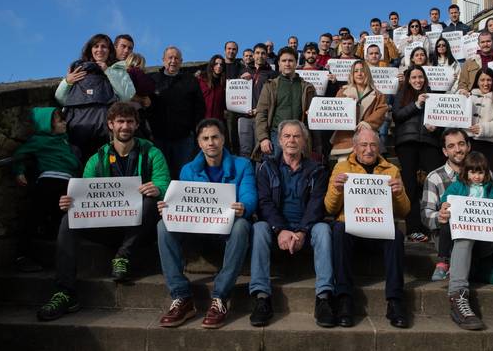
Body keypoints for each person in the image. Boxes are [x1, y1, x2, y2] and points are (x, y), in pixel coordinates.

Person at [36, 102, 170, 321]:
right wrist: (72, 202)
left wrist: (158, 188)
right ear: (111, 124)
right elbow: (86, 193)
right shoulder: (97, 158)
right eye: (120, 121)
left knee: (150, 202)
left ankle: (123, 256)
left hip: (140, 229)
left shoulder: (152, 153)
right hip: (106, 226)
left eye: (129, 121)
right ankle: (65, 291)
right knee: (68, 219)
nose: (124, 126)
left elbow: (164, 182)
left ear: (136, 125)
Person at [157, 118, 257, 329]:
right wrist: (169, 208)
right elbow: (181, 201)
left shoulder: (243, 165)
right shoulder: (188, 170)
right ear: (200, 143)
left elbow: (250, 195)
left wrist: (244, 207)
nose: (210, 142)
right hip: (197, 232)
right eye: (205, 138)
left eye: (215, 137)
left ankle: (220, 298)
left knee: (242, 225)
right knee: (162, 225)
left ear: (223, 140)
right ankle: (182, 297)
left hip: (227, 230)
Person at [248, 120, 334, 327]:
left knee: (323, 230)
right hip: (277, 227)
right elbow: (264, 203)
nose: (291, 140)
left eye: (296, 136)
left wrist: (303, 230)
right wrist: (280, 229)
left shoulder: (317, 170)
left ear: (304, 141)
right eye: (287, 136)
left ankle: (324, 298)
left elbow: (316, 205)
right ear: (279, 141)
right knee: (258, 228)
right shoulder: (266, 168)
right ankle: (261, 297)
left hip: (307, 226)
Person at [325, 127, 410, 329]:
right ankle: (344, 298)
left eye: (373, 145)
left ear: (379, 147)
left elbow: (404, 211)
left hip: (378, 229)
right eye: (363, 145)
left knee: (397, 235)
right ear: (354, 147)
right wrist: (337, 190)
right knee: (337, 229)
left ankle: (395, 301)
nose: (368, 149)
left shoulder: (391, 170)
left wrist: (398, 193)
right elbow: (329, 207)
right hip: (352, 230)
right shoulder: (341, 168)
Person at [439, 152, 493, 331]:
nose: (476, 176)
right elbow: (445, 199)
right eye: (472, 172)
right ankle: (457, 295)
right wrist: (445, 206)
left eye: (480, 173)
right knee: (464, 238)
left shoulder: (491, 188)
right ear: (466, 173)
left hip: (487, 238)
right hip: (465, 237)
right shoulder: (458, 186)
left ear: (486, 174)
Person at [12, 107, 81, 272]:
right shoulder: (39, 140)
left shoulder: (64, 142)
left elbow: (72, 161)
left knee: (60, 220)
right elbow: (19, 154)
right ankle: (22, 255)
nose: (65, 123)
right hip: (48, 181)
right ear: (46, 125)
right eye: (59, 121)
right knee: (35, 215)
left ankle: (58, 259)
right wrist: (19, 171)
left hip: (68, 183)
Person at [55, 34, 135, 161]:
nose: (100, 50)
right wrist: (67, 81)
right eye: (96, 46)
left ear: (110, 50)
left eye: (104, 47)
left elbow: (126, 96)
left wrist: (108, 71)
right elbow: (61, 99)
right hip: (76, 130)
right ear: (90, 49)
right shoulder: (78, 68)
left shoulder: (118, 69)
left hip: (105, 129)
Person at [393, 66, 444, 242]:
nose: (417, 80)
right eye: (413, 77)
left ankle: (436, 225)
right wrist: (416, 105)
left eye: (420, 77)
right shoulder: (402, 94)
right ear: (408, 79)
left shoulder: (433, 95)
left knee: (434, 183)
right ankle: (413, 228)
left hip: (430, 143)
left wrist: (436, 127)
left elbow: (443, 119)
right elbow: (397, 115)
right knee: (410, 186)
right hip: (407, 143)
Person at [148, 46, 205, 180]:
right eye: (170, 58)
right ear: (163, 60)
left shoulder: (190, 81)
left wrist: (194, 130)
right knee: (160, 175)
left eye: (176, 58)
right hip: (158, 138)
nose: (173, 61)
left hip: (184, 139)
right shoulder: (152, 80)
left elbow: (200, 107)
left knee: (183, 175)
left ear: (181, 61)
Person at [421, 128, 470, 280]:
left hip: (477, 233)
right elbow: (425, 215)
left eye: (461, 144)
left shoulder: (485, 173)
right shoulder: (434, 177)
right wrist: (439, 216)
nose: (457, 149)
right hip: (447, 237)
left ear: (468, 146)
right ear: (444, 151)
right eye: (451, 146)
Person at [254, 47, 317, 160]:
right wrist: (263, 138)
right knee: (274, 173)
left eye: (290, 60)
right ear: (278, 63)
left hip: (299, 137)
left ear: (296, 63)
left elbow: (316, 115)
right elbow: (261, 113)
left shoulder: (308, 87)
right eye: (284, 61)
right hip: (275, 136)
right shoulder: (270, 86)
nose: (287, 64)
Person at [458, 67, 493, 186]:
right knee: (470, 178)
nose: (485, 83)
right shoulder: (468, 97)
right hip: (471, 144)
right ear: (477, 81)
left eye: (489, 80)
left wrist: (483, 128)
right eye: (482, 80)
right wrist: (460, 95)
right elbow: (456, 114)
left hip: (491, 146)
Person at [331, 60, 387, 159]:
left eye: (362, 71)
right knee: (344, 170)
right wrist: (346, 101)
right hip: (345, 140)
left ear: (367, 73)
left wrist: (367, 123)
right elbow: (334, 111)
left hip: (368, 141)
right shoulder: (343, 92)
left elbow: (382, 110)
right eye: (356, 71)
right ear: (352, 74)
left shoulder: (378, 94)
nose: (359, 74)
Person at [238, 43, 278, 158]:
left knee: (259, 151)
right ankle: (245, 175)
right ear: (253, 55)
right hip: (244, 116)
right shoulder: (243, 71)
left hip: (261, 116)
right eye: (257, 53)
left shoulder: (272, 74)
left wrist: (259, 110)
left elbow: (273, 98)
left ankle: (258, 175)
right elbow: (234, 92)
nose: (260, 56)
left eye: (263, 53)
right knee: (244, 151)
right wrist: (240, 80)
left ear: (266, 56)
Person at [198, 55, 226, 121]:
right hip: (202, 119)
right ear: (212, 65)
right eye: (216, 64)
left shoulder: (223, 84)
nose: (219, 66)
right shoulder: (201, 80)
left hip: (217, 120)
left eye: (221, 65)